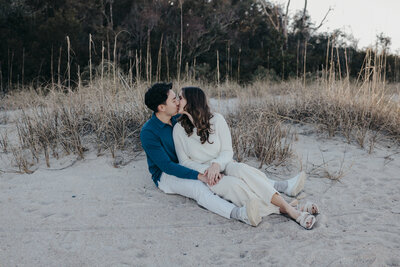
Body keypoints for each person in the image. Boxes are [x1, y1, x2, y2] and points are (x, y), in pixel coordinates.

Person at [173, 86, 319, 229]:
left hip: (224, 163)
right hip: (207, 175)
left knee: (242, 170)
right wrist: (209, 171)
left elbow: (227, 151)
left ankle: (289, 208)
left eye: (180, 97)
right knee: (235, 186)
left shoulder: (217, 120)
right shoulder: (178, 130)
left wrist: (216, 165)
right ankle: (291, 209)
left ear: (192, 101)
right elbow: (185, 162)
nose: (177, 101)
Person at [140, 82, 261, 226]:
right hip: (166, 176)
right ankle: (239, 214)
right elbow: (167, 166)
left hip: (188, 165)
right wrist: (199, 176)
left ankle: (273, 193)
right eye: (174, 100)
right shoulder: (148, 132)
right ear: (161, 107)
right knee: (198, 188)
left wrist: (215, 164)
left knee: (233, 169)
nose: (178, 102)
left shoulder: (177, 119)